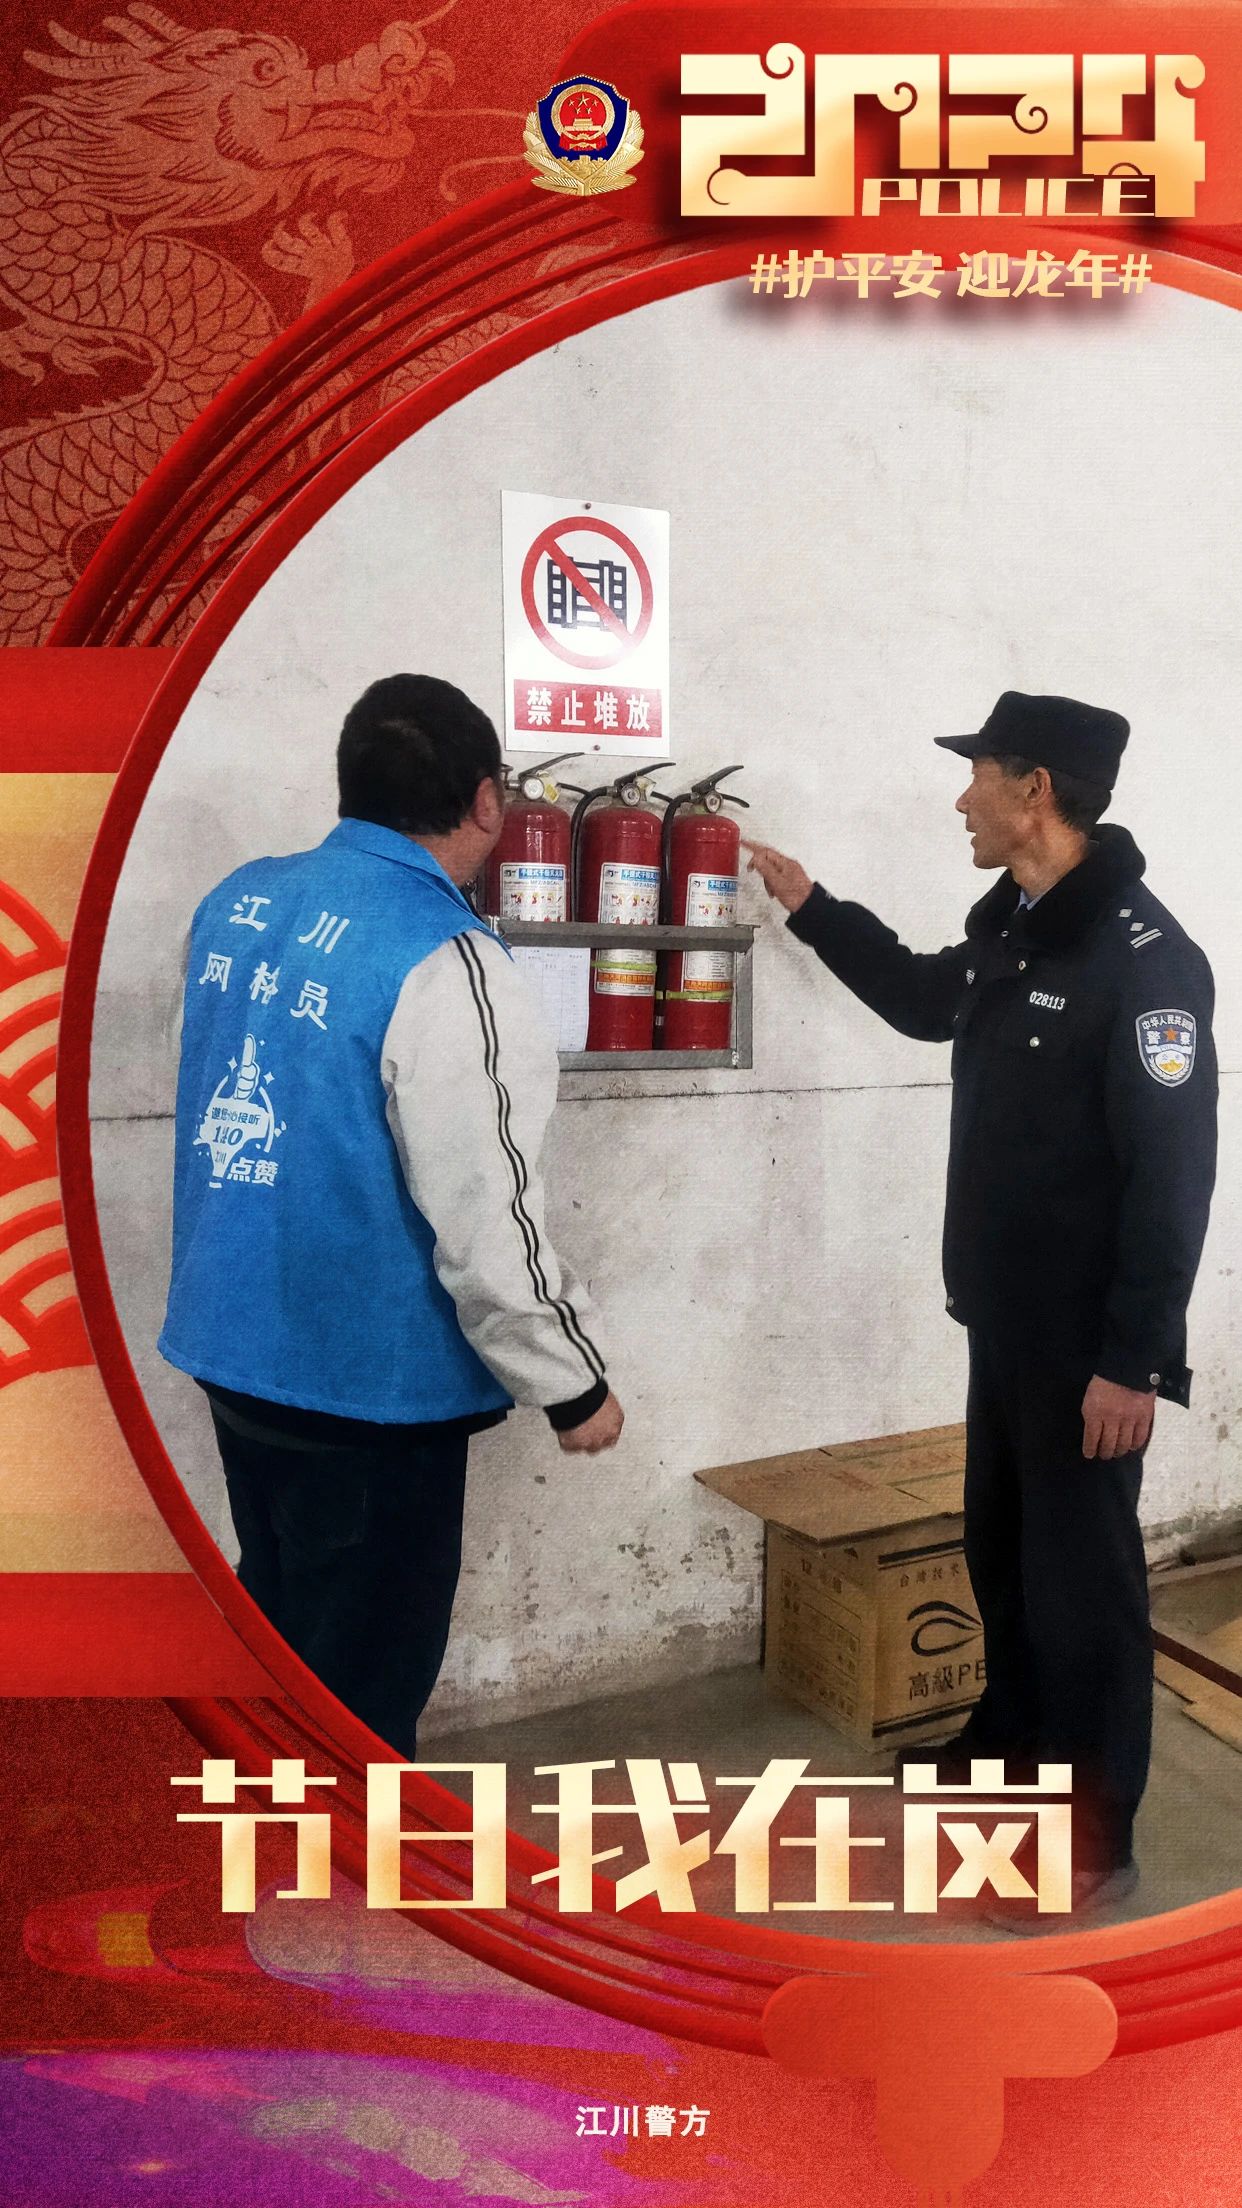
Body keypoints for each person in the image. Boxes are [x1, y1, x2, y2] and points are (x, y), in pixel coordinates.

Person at [745, 691, 1217, 1916]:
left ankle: (1093, 1843)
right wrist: (813, 907)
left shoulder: (1146, 964)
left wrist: (1135, 1361)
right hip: (1004, 1322)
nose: (963, 799)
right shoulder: (1018, 932)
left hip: (1087, 1351)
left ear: (1035, 791)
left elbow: (1173, 1182)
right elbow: (921, 999)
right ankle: (1006, 1756)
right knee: (1004, 1556)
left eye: (981, 776)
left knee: (1086, 1593)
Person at [159, 673, 623, 1755]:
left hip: (233, 1348)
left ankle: (268, 1829)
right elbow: (485, 1205)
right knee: (360, 1697)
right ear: (487, 800)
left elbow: (213, 1083)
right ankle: (335, 1859)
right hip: (365, 1389)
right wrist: (570, 1381)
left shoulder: (239, 903)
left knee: (278, 1639)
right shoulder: (449, 956)